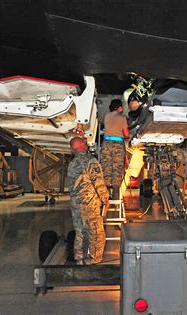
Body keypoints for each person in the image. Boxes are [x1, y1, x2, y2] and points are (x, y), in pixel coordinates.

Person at [67, 137, 109, 265]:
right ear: (81, 145)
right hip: (89, 203)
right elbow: (99, 183)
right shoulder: (90, 161)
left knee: (80, 231)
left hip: (76, 204)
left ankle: (79, 257)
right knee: (96, 232)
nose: (86, 145)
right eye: (84, 143)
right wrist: (105, 199)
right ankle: (95, 259)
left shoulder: (72, 164)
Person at [101, 99, 129, 200]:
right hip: (117, 145)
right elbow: (126, 134)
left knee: (106, 167)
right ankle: (116, 195)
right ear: (119, 107)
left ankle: (105, 195)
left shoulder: (107, 115)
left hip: (106, 144)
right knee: (117, 168)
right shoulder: (122, 118)